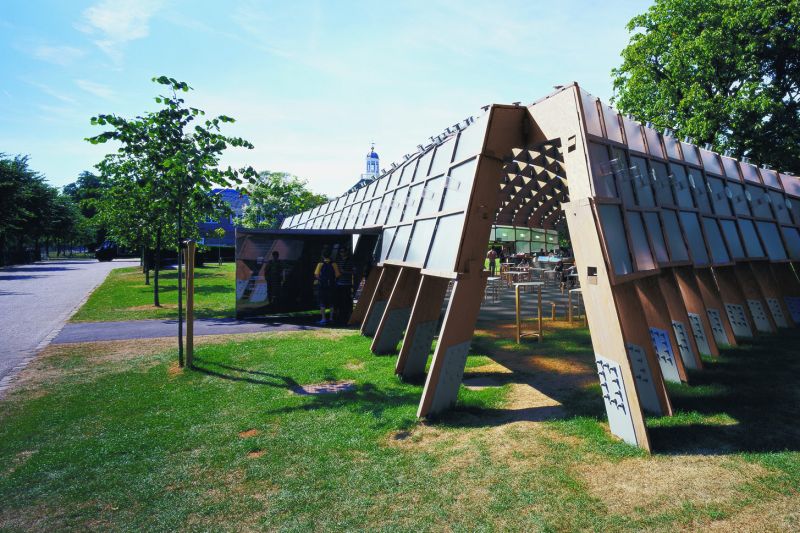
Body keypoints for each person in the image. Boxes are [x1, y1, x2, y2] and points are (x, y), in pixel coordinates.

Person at [314, 249, 341, 325]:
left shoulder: (320, 264)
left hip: (322, 286)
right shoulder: (334, 264)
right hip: (331, 286)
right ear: (330, 255)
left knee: (322, 302)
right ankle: (331, 318)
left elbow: (316, 275)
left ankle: (323, 319)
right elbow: (338, 275)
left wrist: (321, 280)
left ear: (323, 255)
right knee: (331, 302)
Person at [334, 246, 355, 325]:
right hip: (339, 283)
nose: (342, 253)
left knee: (346, 300)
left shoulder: (350, 261)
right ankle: (340, 315)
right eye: (340, 252)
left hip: (347, 283)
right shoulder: (338, 261)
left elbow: (354, 272)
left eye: (343, 251)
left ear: (346, 252)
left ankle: (346, 315)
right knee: (339, 300)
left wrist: (345, 272)